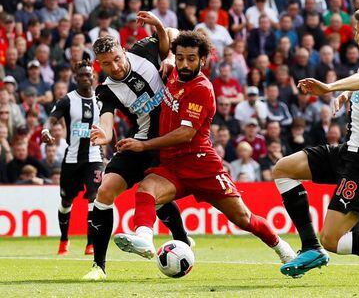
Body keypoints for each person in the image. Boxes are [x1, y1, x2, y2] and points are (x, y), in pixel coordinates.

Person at [110, 30, 296, 268]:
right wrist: (165, 48)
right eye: (180, 57)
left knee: (243, 218)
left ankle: (284, 250)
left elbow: (185, 134)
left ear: (203, 60)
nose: (184, 63)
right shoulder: (175, 73)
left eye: (191, 58)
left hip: (202, 165)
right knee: (146, 190)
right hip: (173, 165)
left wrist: (143, 145)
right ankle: (145, 239)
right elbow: (172, 33)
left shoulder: (202, 88)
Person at [272, 5, 359, 278]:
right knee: (284, 168)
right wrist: (347, 95)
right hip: (348, 151)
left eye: (358, 31)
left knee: (333, 240)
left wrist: (331, 87)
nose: (355, 36)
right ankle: (310, 247)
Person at [84, 12, 190, 280]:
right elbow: (106, 121)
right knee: (105, 192)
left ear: (123, 50)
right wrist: (104, 135)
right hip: (139, 140)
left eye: (117, 59)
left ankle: (182, 240)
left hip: (167, 140)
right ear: (100, 65)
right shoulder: (106, 90)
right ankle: (99, 267)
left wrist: (166, 52)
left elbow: (174, 34)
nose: (116, 67)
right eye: (107, 64)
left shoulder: (144, 49)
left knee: (155, 197)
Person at [41, 60, 104, 256]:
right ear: (75, 78)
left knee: (95, 197)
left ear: (93, 76)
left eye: (89, 74)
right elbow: (53, 117)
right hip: (72, 159)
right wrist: (45, 129)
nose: (86, 78)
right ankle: (64, 240)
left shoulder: (102, 100)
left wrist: (112, 146)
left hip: (94, 156)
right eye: (82, 75)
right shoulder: (67, 100)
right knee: (66, 201)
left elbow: (108, 125)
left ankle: (90, 244)